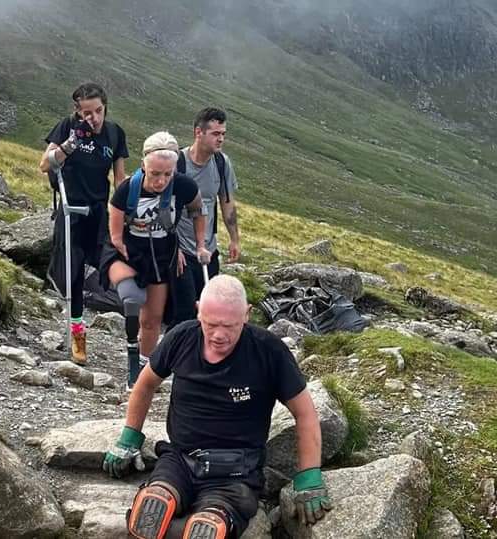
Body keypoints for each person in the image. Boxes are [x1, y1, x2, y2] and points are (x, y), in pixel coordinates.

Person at [102, 275, 331, 538]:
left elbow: (305, 413)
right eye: (210, 324)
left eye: (229, 326)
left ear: (246, 315)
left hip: (236, 473)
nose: (219, 335)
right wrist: (129, 437)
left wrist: (309, 476)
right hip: (180, 460)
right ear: (199, 310)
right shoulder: (181, 337)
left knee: (210, 524)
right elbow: (145, 384)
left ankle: (200, 524)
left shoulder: (269, 351)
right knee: (152, 503)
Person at [99, 131, 208, 386]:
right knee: (132, 298)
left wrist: (200, 244)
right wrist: (125, 248)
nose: (161, 181)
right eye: (155, 174)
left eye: (168, 174)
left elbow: (197, 211)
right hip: (127, 251)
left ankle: (143, 369)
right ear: (144, 166)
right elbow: (115, 235)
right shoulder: (127, 189)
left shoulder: (184, 186)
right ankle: (130, 351)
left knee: (152, 319)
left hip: (161, 254)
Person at [39, 82, 128, 365]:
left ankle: (134, 326)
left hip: (100, 211)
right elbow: (45, 164)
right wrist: (69, 145)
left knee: (109, 263)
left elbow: (120, 179)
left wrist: (126, 212)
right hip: (72, 211)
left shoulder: (115, 134)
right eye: (87, 113)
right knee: (74, 272)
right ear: (78, 112)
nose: (94, 118)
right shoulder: (67, 127)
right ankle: (78, 333)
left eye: (98, 111)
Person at [170, 107, 240, 327]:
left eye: (223, 134)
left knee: (207, 311)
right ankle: (174, 357)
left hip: (208, 251)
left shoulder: (221, 163)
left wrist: (234, 239)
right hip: (180, 251)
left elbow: (226, 202)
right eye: (215, 134)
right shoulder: (177, 163)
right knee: (185, 311)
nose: (220, 139)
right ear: (198, 133)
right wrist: (173, 247)